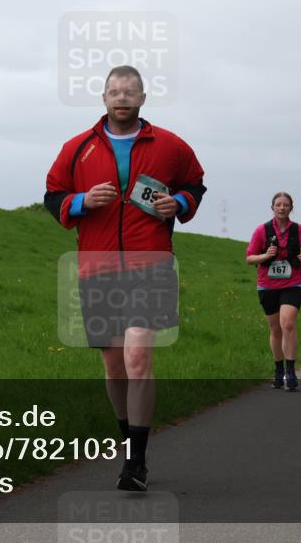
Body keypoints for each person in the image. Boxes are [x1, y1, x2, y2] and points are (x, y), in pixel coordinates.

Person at [45, 65, 206, 491]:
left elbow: (195, 184)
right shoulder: (76, 148)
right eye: (114, 91)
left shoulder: (170, 145)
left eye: (129, 92)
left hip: (149, 265)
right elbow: (53, 194)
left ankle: (135, 463)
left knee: (137, 357)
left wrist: (182, 203)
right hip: (97, 269)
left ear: (142, 98)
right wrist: (80, 201)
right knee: (115, 367)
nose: (122, 98)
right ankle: (129, 443)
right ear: (103, 98)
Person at [245, 192, 301, 391]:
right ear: (273, 208)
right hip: (267, 285)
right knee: (275, 329)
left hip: (293, 282)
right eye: (278, 204)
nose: (282, 208)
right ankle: (278, 370)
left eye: (286, 205)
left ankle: (291, 371)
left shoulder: (299, 230)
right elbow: (249, 258)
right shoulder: (262, 230)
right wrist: (265, 255)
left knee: (288, 323)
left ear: (291, 208)